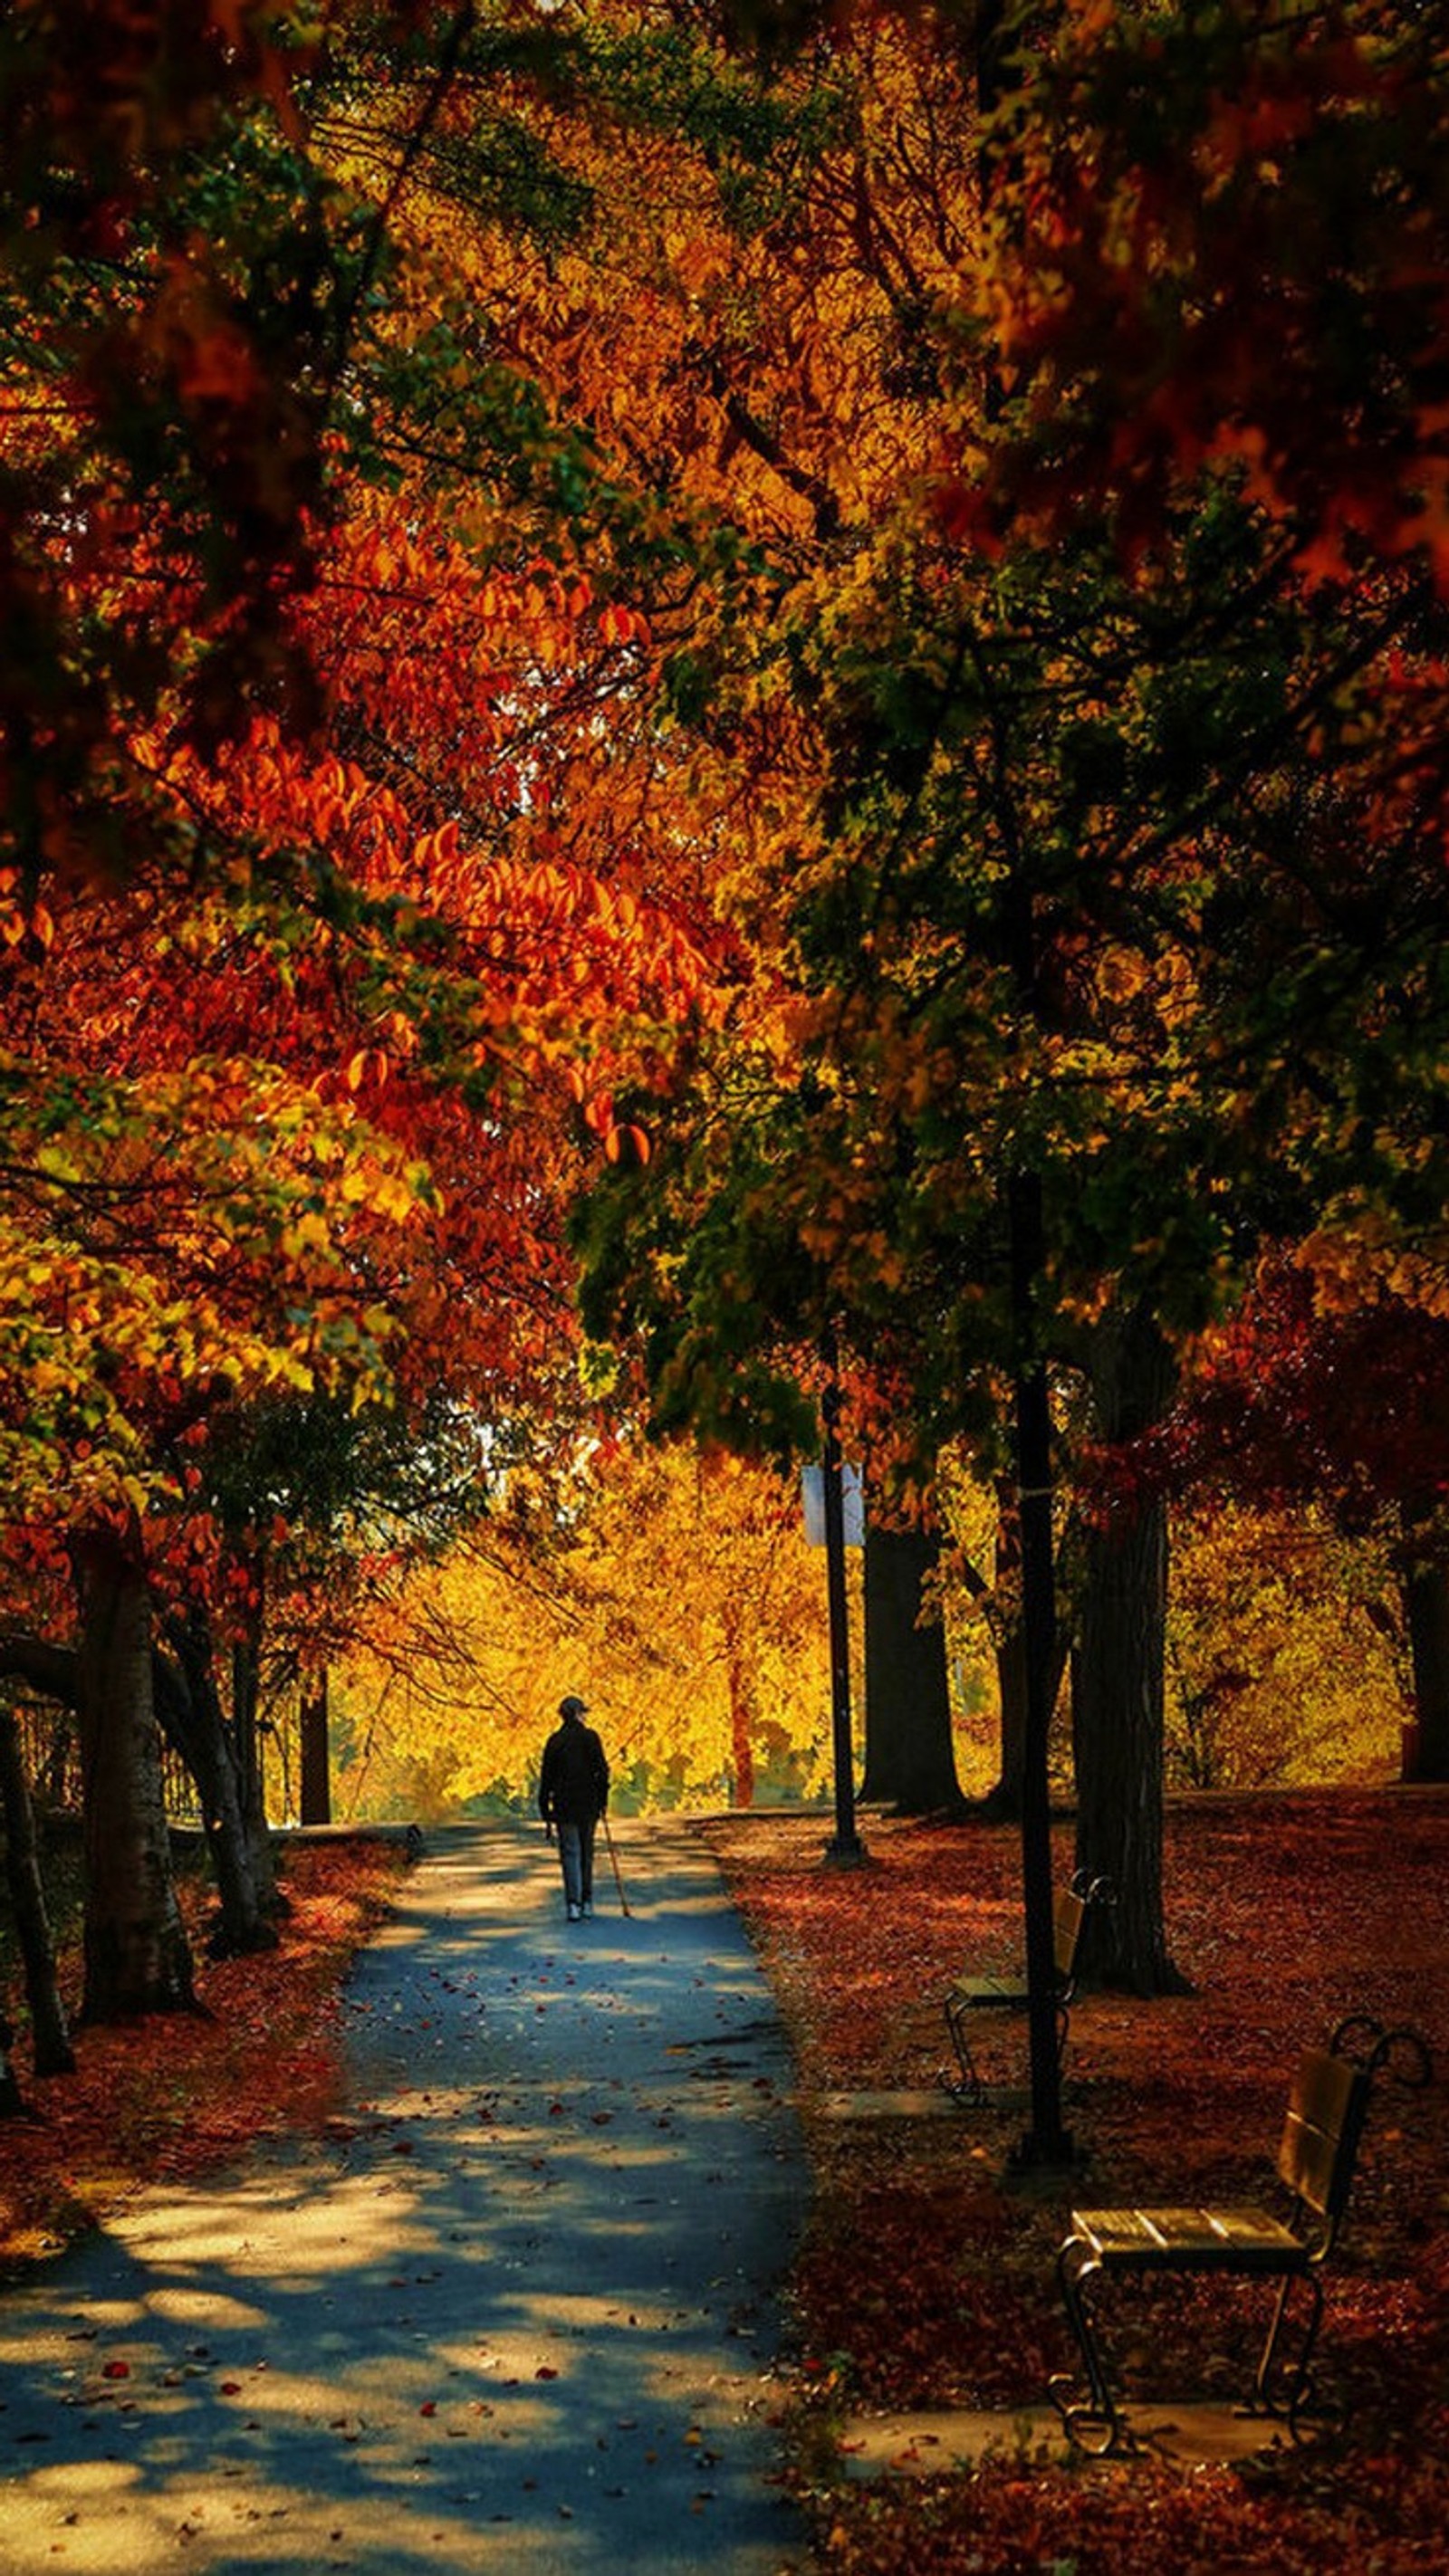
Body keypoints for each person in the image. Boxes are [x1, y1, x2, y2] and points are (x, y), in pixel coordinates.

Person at [539, 1695, 609, 1921]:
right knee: (586, 1852)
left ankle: (573, 1904)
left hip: (564, 1805)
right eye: (583, 1713)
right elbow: (602, 1772)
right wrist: (602, 1800)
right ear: (579, 1714)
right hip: (588, 1804)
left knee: (570, 1853)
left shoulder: (555, 1741)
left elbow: (546, 1779)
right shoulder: (591, 1738)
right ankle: (587, 1901)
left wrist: (545, 1809)